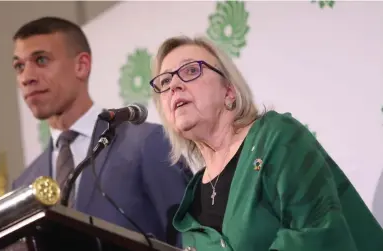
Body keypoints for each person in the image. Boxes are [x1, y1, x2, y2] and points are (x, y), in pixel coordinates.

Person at [149, 35, 383, 251]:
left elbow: (315, 230)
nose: (174, 86)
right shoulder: (189, 211)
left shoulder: (276, 136)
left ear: (228, 91)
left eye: (190, 70)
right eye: (165, 81)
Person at [11, 17, 190, 247]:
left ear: (82, 66)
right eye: (19, 66)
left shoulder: (147, 143)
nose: (27, 78)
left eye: (41, 60)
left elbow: (189, 238)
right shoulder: (23, 185)